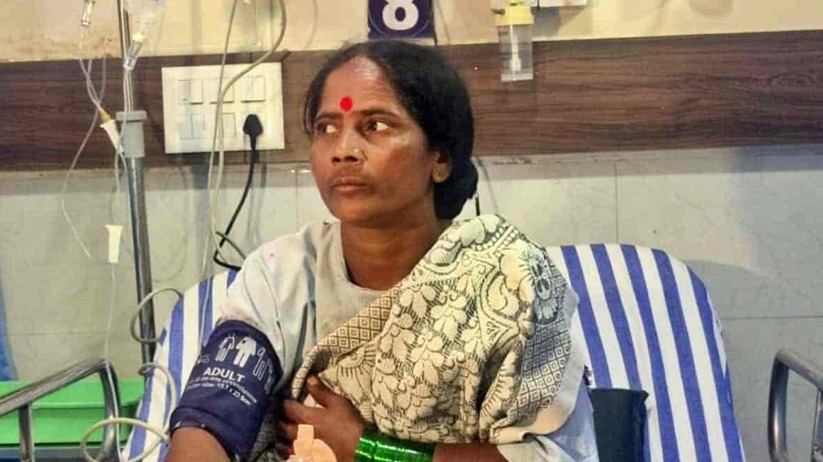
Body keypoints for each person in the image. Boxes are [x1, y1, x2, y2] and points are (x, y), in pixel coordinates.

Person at [165, 40, 598, 462]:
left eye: (375, 126)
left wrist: (368, 450)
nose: (343, 151)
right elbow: (210, 418)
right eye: (327, 128)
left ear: (440, 159)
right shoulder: (282, 274)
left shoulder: (510, 284)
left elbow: (552, 456)